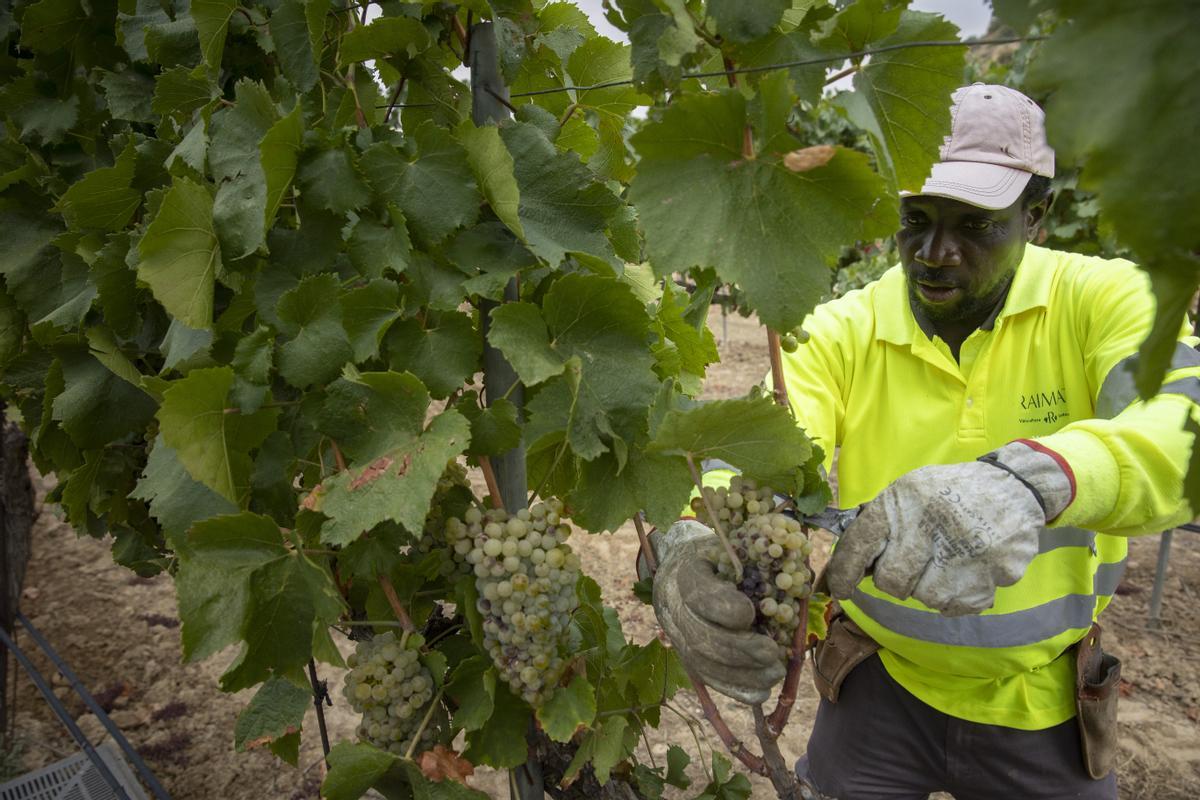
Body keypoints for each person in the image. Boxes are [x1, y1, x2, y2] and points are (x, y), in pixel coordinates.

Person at [649, 84, 1200, 799]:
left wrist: (1039, 479)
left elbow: (1183, 431)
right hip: (877, 682)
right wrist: (692, 534)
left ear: (1037, 217)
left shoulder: (1108, 299)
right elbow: (760, 449)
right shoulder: (843, 326)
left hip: (1043, 700)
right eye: (916, 221)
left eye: (975, 225)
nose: (936, 253)